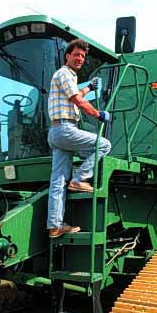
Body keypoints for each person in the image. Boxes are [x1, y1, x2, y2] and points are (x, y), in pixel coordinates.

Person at [47, 38, 111, 238]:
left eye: (83, 56)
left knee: (58, 181)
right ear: (67, 56)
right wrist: (99, 115)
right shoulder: (65, 73)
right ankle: (80, 179)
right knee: (104, 144)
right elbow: (78, 101)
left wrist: (90, 88)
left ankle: (55, 226)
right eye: (76, 54)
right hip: (65, 128)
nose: (80, 59)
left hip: (56, 132)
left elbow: (77, 93)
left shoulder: (66, 77)